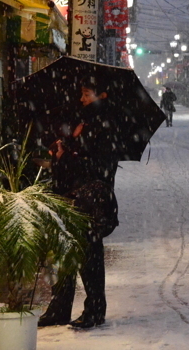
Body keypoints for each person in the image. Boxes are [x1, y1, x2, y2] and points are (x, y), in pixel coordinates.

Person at [39, 77, 121, 329]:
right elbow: (75, 154)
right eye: (82, 94)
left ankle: (95, 309)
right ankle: (60, 307)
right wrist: (60, 150)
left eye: (87, 94)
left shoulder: (106, 125)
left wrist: (69, 156)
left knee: (89, 255)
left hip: (90, 201)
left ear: (102, 95)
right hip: (69, 195)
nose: (82, 99)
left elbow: (100, 167)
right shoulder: (84, 121)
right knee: (63, 250)